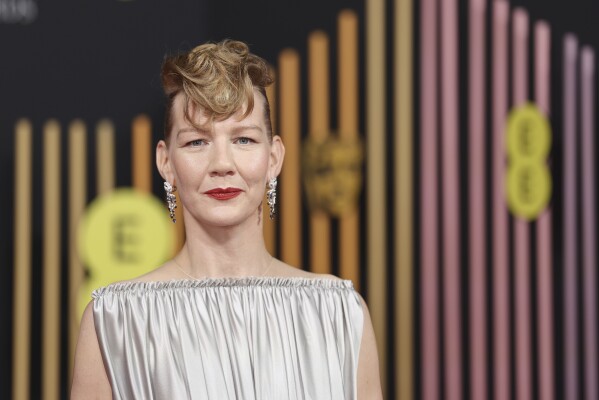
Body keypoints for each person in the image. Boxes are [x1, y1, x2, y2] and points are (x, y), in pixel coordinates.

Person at [71, 39, 382, 399]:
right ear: (165, 162)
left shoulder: (338, 315)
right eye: (197, 142)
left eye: (244, 140)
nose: (222, 164)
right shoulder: (115, 321)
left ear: (274, 157)